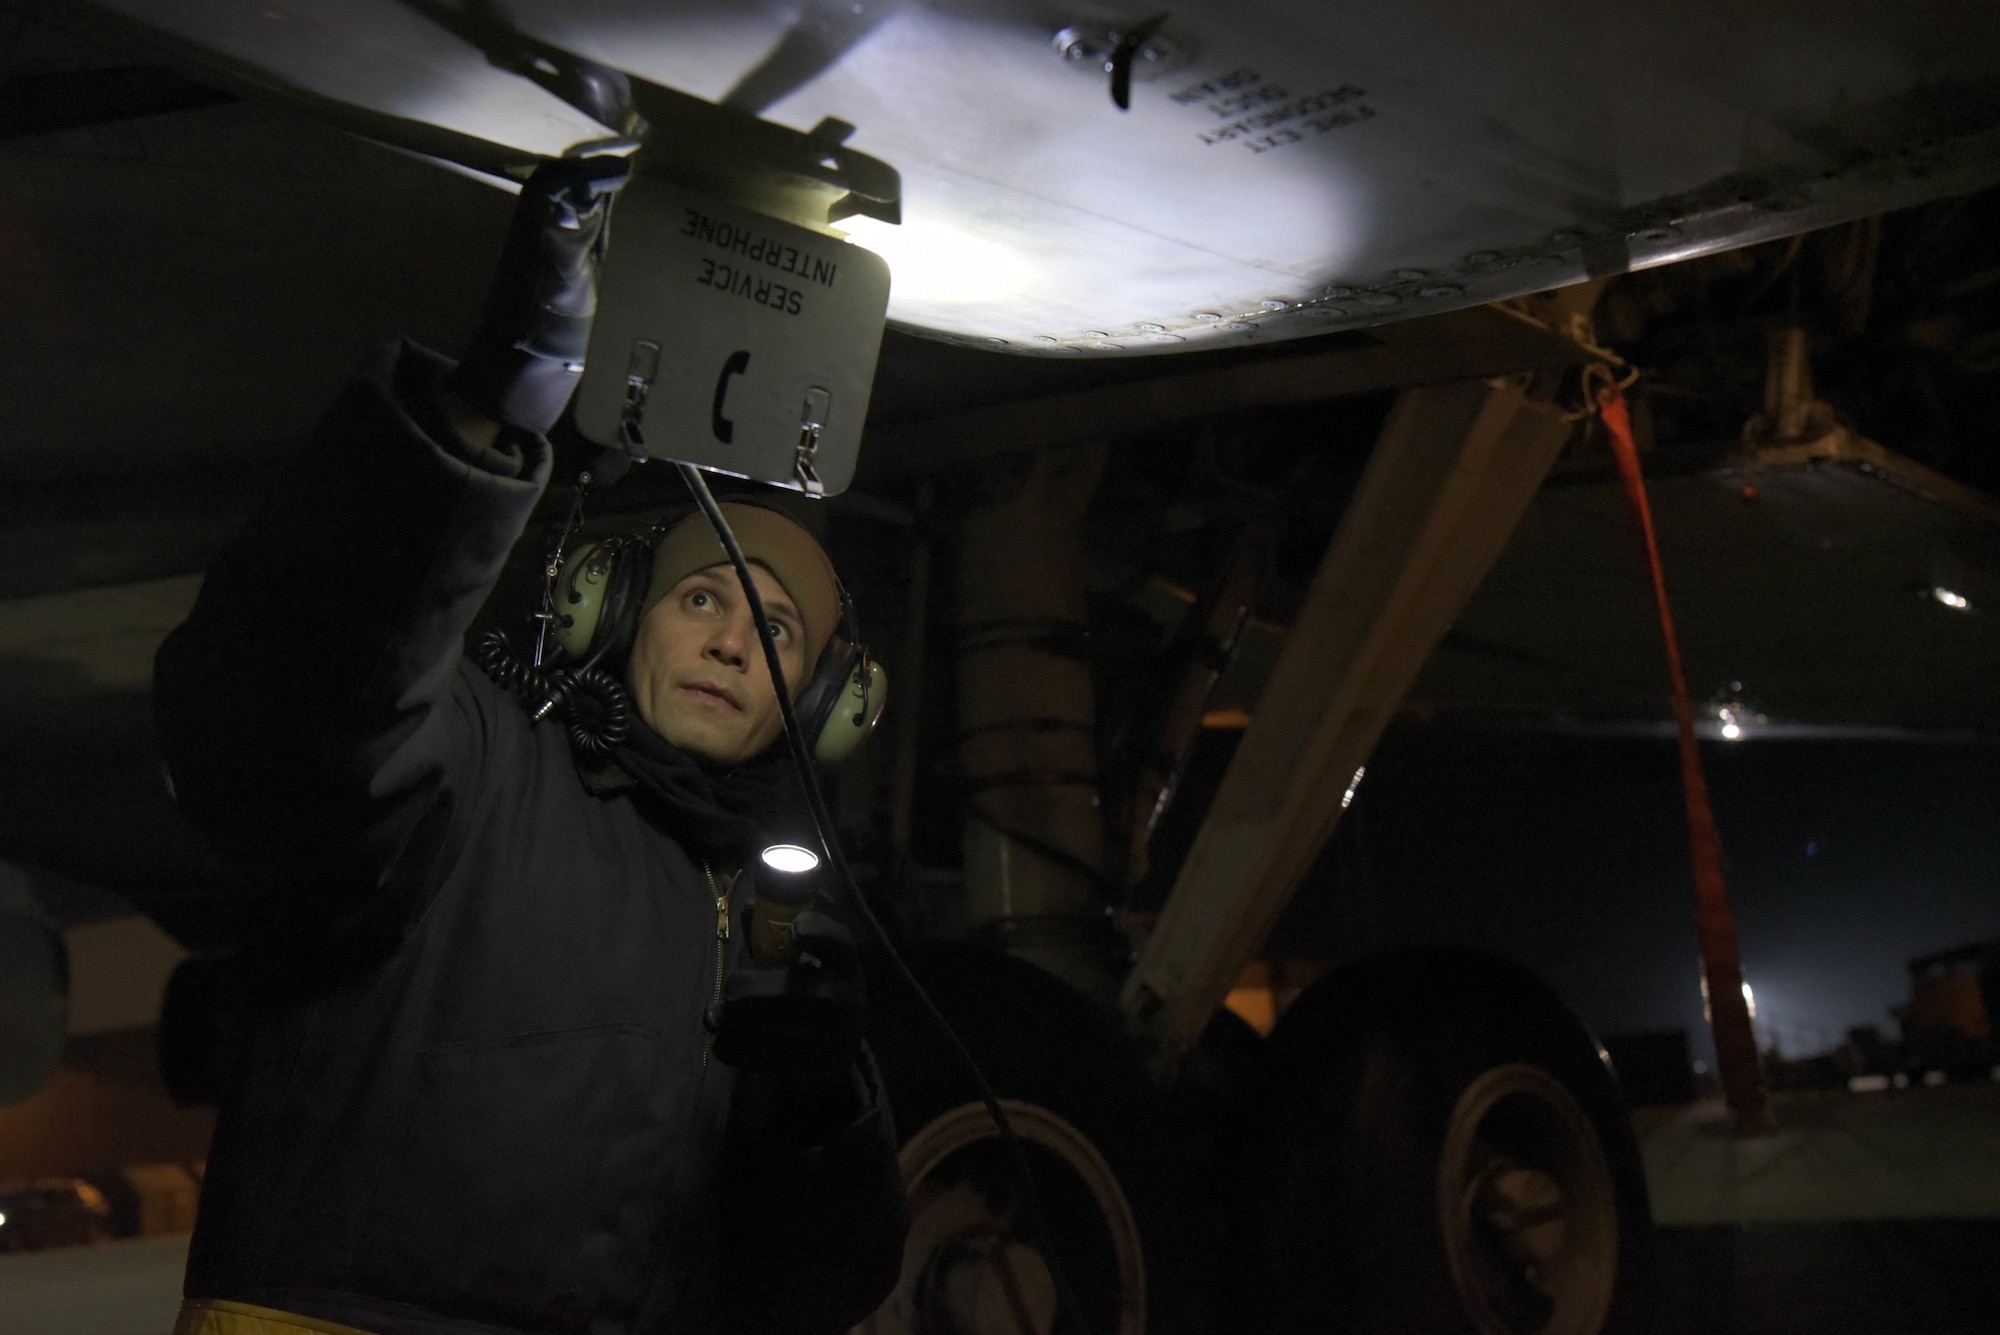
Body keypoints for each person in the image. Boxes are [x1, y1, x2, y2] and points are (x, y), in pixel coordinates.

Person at [153, 154, 909, 1335]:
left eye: (773, 630)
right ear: (610, 618)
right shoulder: (470, 776)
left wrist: (823, 1122)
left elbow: (815, 1289)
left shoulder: (776, 934)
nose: (727, 644)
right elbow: (309, 692)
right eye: (701, 600)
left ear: (820, 706)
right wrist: (487, 407)